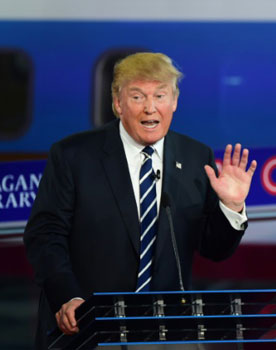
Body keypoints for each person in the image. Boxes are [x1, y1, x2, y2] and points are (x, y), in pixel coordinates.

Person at [23, 52, 257, 349]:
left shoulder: (196, 157)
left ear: (174, 101)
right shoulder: (74, 156)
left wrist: (232, 207)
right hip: (88, 329)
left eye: (160, 95)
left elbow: (214, 249)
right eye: (137, 97)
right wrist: (68, 297)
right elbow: (45, 235)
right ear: (117, 103)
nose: (150, 108)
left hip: (163, 336)